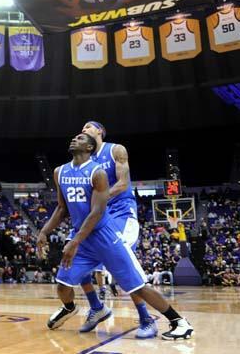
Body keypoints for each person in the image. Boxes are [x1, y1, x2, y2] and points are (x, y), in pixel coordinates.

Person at [37, 133, 193, 341]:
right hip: (81, 237)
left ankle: (179, 322)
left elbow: (97, 211)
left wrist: (75, 241)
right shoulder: (60, 172)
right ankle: (70, 307)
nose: (75, 139)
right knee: (63, 284)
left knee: (137, 285)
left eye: (81, 138)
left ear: (90, 148)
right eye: (75, 137)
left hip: (104, 236)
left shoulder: (97, 173)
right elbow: (61, 208)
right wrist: (44, 232)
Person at [69, 120, 154, 336]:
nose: (83, 130)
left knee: (121, 265)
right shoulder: (84, 161)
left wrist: (99, 200)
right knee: (75, 255)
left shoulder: (116, 150)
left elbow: (123, 183)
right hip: (99, 216)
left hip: (122, 213)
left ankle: (147, 318)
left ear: (99, 131)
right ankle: (96, 308)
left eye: (88, 127)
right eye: (82, 129)